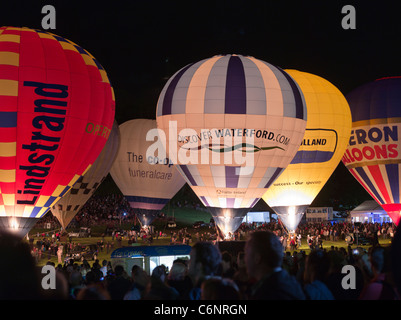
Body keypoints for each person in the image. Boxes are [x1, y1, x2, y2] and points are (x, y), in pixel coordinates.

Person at [244, 230, 305, 300]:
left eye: (246, 253)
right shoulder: (291, 284)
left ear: (257, 258)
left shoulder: (267, 293)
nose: (245, 259)